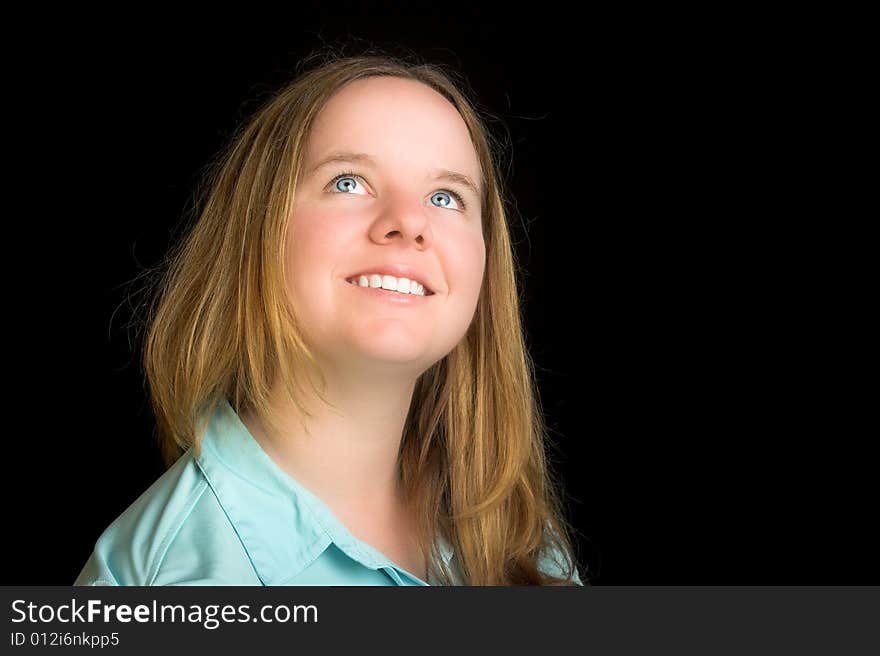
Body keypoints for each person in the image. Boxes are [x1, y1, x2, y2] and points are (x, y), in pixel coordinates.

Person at [74, 50, 585, 586]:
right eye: (349, 182)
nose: (409, 223)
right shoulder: (171, 584)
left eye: (445, 196)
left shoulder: (516, 529)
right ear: (256, 234)